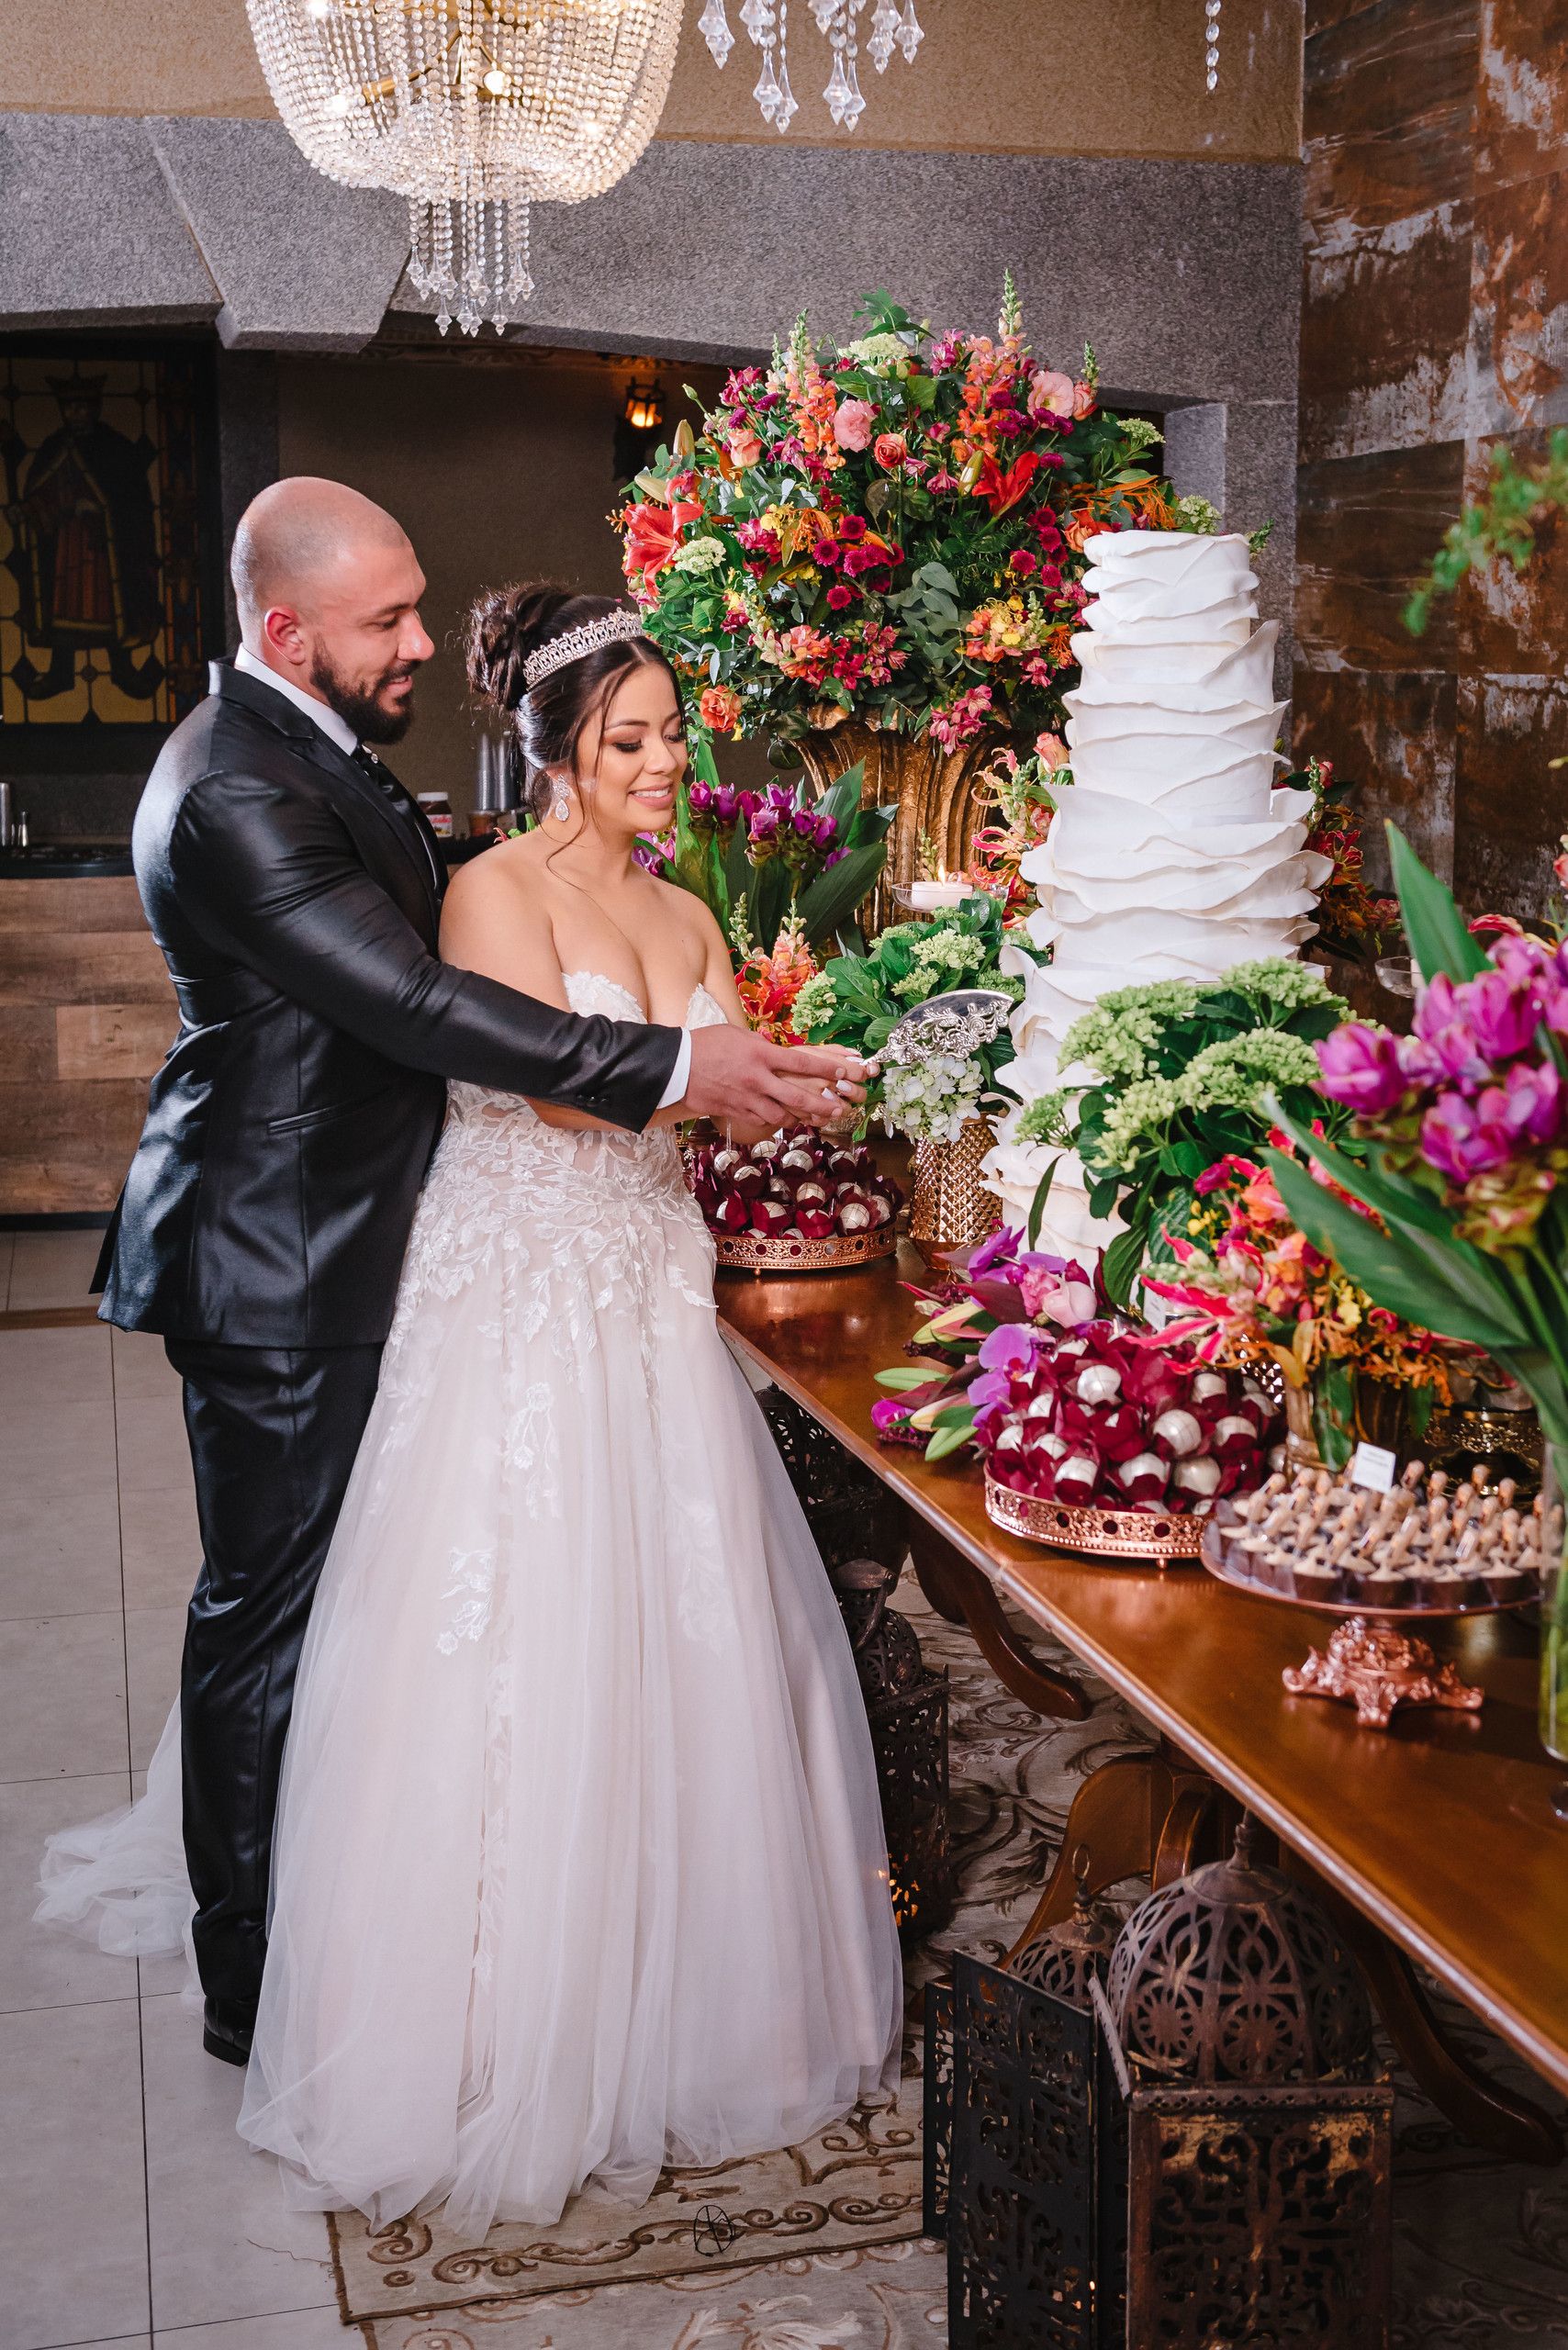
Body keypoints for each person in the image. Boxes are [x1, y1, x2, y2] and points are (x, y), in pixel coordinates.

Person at [52, 579, 905, 2235]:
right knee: (455, 1627)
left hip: (654, 1305)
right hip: (518, 1293)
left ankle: (680, 1978)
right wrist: (694, 1079)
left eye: (675, 735)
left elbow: (709, 1093)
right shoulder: (476, 887)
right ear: (559, 755)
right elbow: (515, 1067)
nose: (666, 763)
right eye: (632, 738)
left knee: (685, 1631)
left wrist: (801, 1087)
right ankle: (355, 1988)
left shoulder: (688, 910)